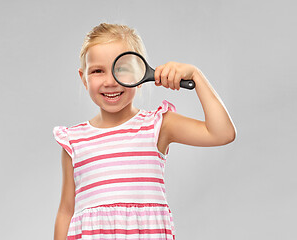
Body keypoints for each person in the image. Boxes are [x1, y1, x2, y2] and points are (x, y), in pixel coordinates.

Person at [53, 22, 236, 240]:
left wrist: (196, 76)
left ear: (141, 76)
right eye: (98, 71)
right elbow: (66, 210)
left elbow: (222, 133)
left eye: (121, 69)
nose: (110, 81)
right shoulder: (73, 141)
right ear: (84, 78)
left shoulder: (158, 125)